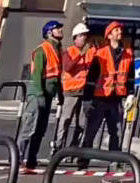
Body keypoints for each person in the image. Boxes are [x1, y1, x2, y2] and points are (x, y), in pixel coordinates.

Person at [20, 17, 62, 171]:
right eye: (58, 28)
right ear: (50, 32)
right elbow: (36, 74)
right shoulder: (42, 50)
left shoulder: (58, 50)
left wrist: (60, 94)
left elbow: (57, 75)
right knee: (30, 128)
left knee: (40, 131)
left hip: (48, 96)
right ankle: (18, 157)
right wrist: (39, 94)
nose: (61, 31)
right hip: (38, 96)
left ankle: (31, 159)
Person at [86, 21, 134, 154]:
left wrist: (130, 94)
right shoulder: (100, 54)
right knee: (91, 130)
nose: (120, 32)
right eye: (116, 30)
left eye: (120, 30)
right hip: (100, 98)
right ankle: (83, 160)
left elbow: (130, 77)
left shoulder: (128, 54)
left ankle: (115, 160)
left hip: (116, 99)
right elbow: (91, 78)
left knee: (116, 132)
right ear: (109, 35)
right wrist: (87, 99)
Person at [57, 19, 96, 156]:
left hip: (84, 92)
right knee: (66, 120)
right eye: (82, 35)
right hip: (71, 91)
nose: (84, 38)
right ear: (76, 37)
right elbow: (68, 67)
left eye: (85, 35)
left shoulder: (90, 52)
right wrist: (80, 55)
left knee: (81, 123)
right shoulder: (69, 52)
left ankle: (73, 150)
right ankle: (58, 148)